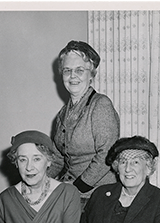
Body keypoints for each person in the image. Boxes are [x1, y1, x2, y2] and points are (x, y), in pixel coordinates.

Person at [48, 40, 120, 210]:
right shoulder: (62, 114)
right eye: (67, 71)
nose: (73, 76)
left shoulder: (100, 105)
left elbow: (107, 154)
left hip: (96, 196)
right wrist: (40, 181)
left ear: (92, 74)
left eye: (80, 70)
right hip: (72, 192)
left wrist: (76, 187)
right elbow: (58, 157)